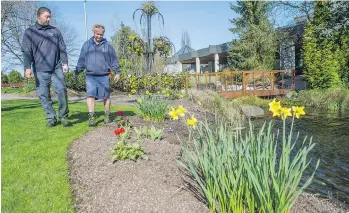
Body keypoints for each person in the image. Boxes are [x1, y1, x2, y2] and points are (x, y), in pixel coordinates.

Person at [22, 7, 70, 127]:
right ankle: (51, 118)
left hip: (56, 67)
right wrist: (27, 67)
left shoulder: (55, 31)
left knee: (61, 91)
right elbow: (27, 51)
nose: (49, 19)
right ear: (39, 16)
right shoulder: (30, 32)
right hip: (39, 69)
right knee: (44, 94)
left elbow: (62, 48)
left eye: (50, 17)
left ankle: (63, 117)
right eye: (46, 17)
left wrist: (65, 63)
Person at [75, 24, 120, 126]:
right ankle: (91, 118)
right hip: (90, 76)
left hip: (104, 75)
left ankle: (107, 116)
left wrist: (117, 72)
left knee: (106, 96)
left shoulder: (107, 45)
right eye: (97, 34)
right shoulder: (86, 45)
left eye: (101, 34)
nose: (99, 36)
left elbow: (114, 60)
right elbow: (81, 59)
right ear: (93, 33)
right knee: (90, 95)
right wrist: (77, 72)